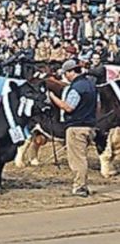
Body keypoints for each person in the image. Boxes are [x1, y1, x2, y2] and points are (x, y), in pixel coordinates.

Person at [48, 59, 97, 197]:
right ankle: (83, 185)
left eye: (66, 73)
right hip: (89, 126)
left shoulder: (77, 88)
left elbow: (68, 107)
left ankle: (80, 187)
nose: (65, 76)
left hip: (76, 127)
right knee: (82, 157)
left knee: (77, 159)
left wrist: (52, 97)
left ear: (71, 72)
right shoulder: (90, 85)